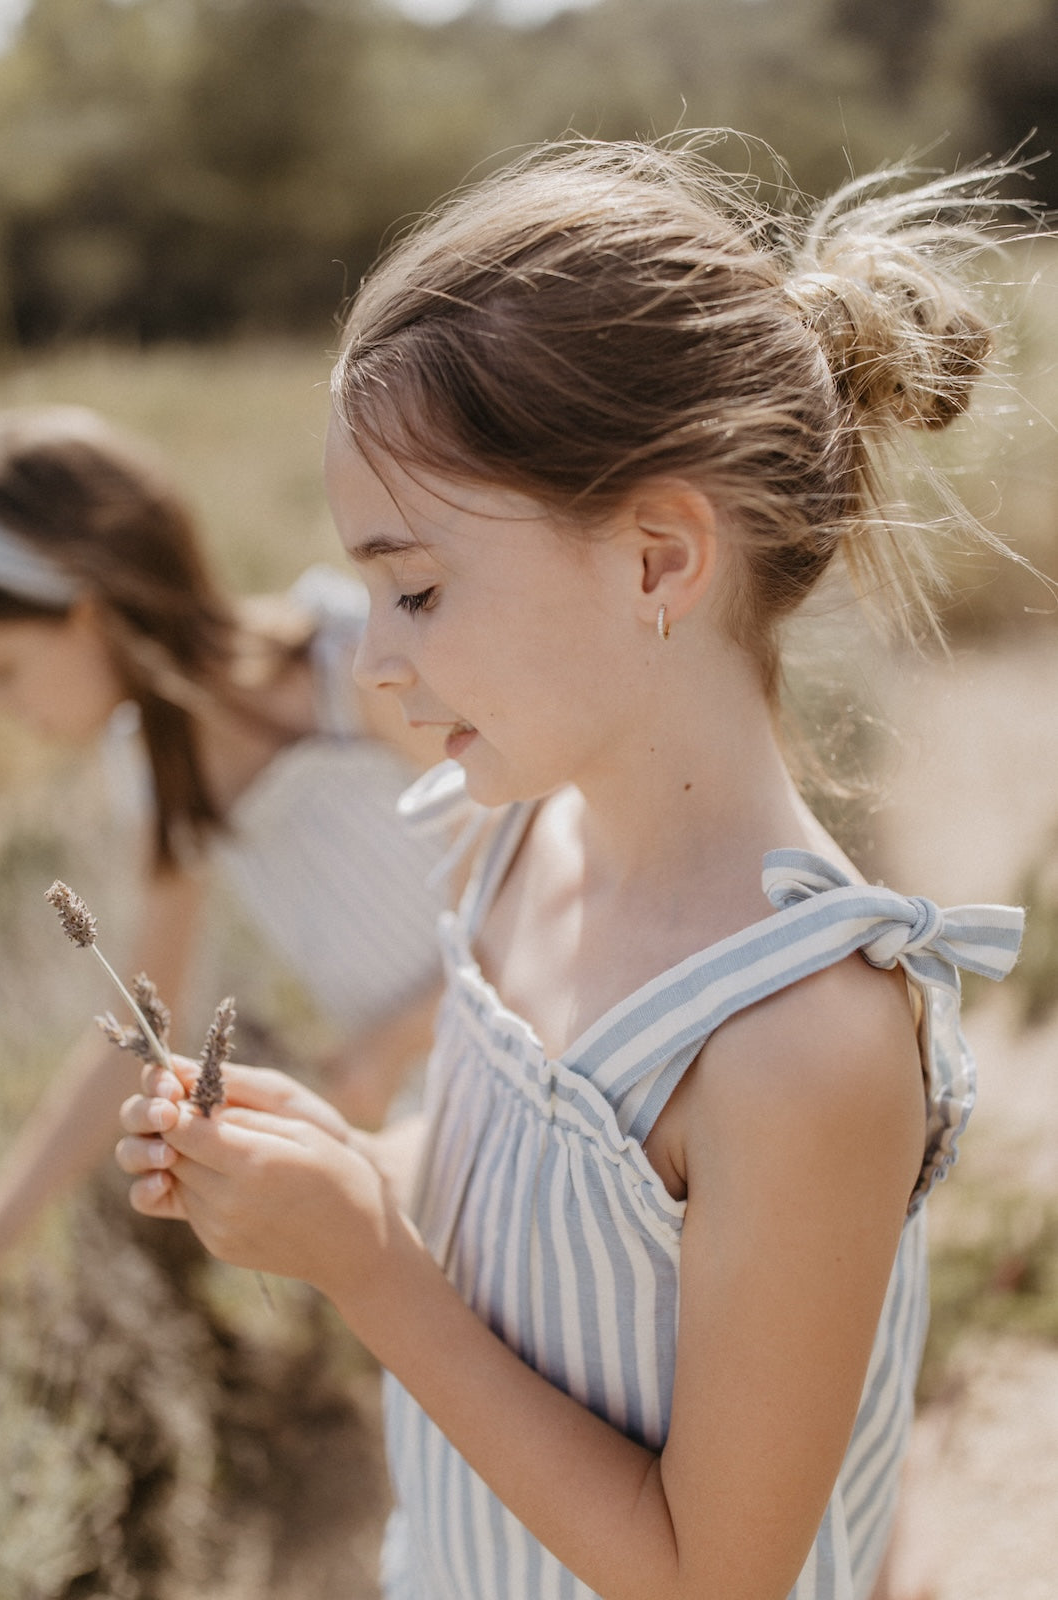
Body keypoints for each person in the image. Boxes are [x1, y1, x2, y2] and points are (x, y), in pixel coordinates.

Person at [116, 135, 1028, 1600]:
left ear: (660, 560)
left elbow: (708, 1573)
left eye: (413, 588)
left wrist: (366, 1268)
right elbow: (518, 1200)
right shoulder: (522, 834)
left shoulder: (798, 1042)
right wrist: (327, 1167)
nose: (383, 661)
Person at [0, 403, 449, 1280]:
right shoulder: (154, 773)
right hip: (425, 1111)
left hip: (549, 1039)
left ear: (89, 612)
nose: (6, 709)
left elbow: (554, 868)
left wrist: (388, 1046)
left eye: (4, 671)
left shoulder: (347, 666)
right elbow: (137, 1020)